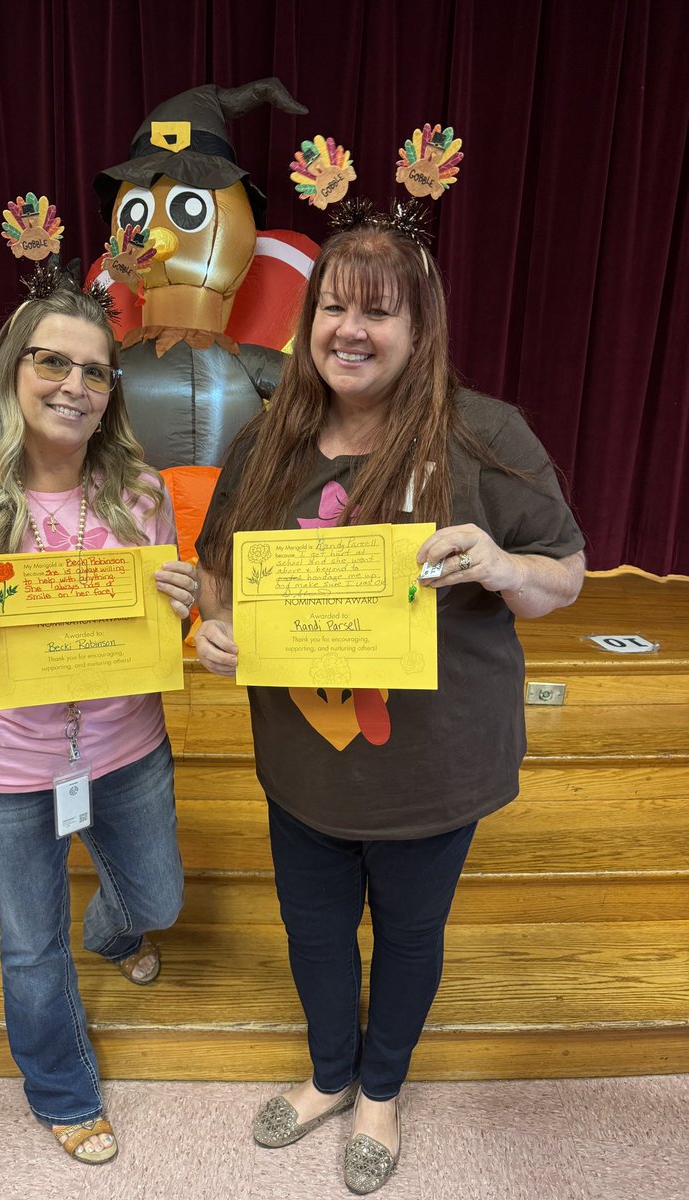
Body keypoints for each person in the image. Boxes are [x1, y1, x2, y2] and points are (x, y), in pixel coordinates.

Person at [193, 211, 585, 1195]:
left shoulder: (484, 436)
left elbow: (567, 577)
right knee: (314, 932)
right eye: (333, 306)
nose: (351, 329)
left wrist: (501, 562)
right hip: (302, 765)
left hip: (432, 769)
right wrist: (210, 636)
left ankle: (379, 1089)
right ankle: (331, 1074)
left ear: (420, 327)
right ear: (308, 320)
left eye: (379, 310)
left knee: (409, 936)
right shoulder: (266, 443)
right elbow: (217, 586)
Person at [0, 281, 199, 1166]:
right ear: (11, 371)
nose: (74, 385)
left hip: (126, 750)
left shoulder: (138, 491)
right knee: (31, 945)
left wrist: (181, 605)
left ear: (111, 394)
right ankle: (63, 1092)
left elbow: (163, 632)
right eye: (52, 361)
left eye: (95, 372)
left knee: (160, 897)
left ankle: (115, 929)